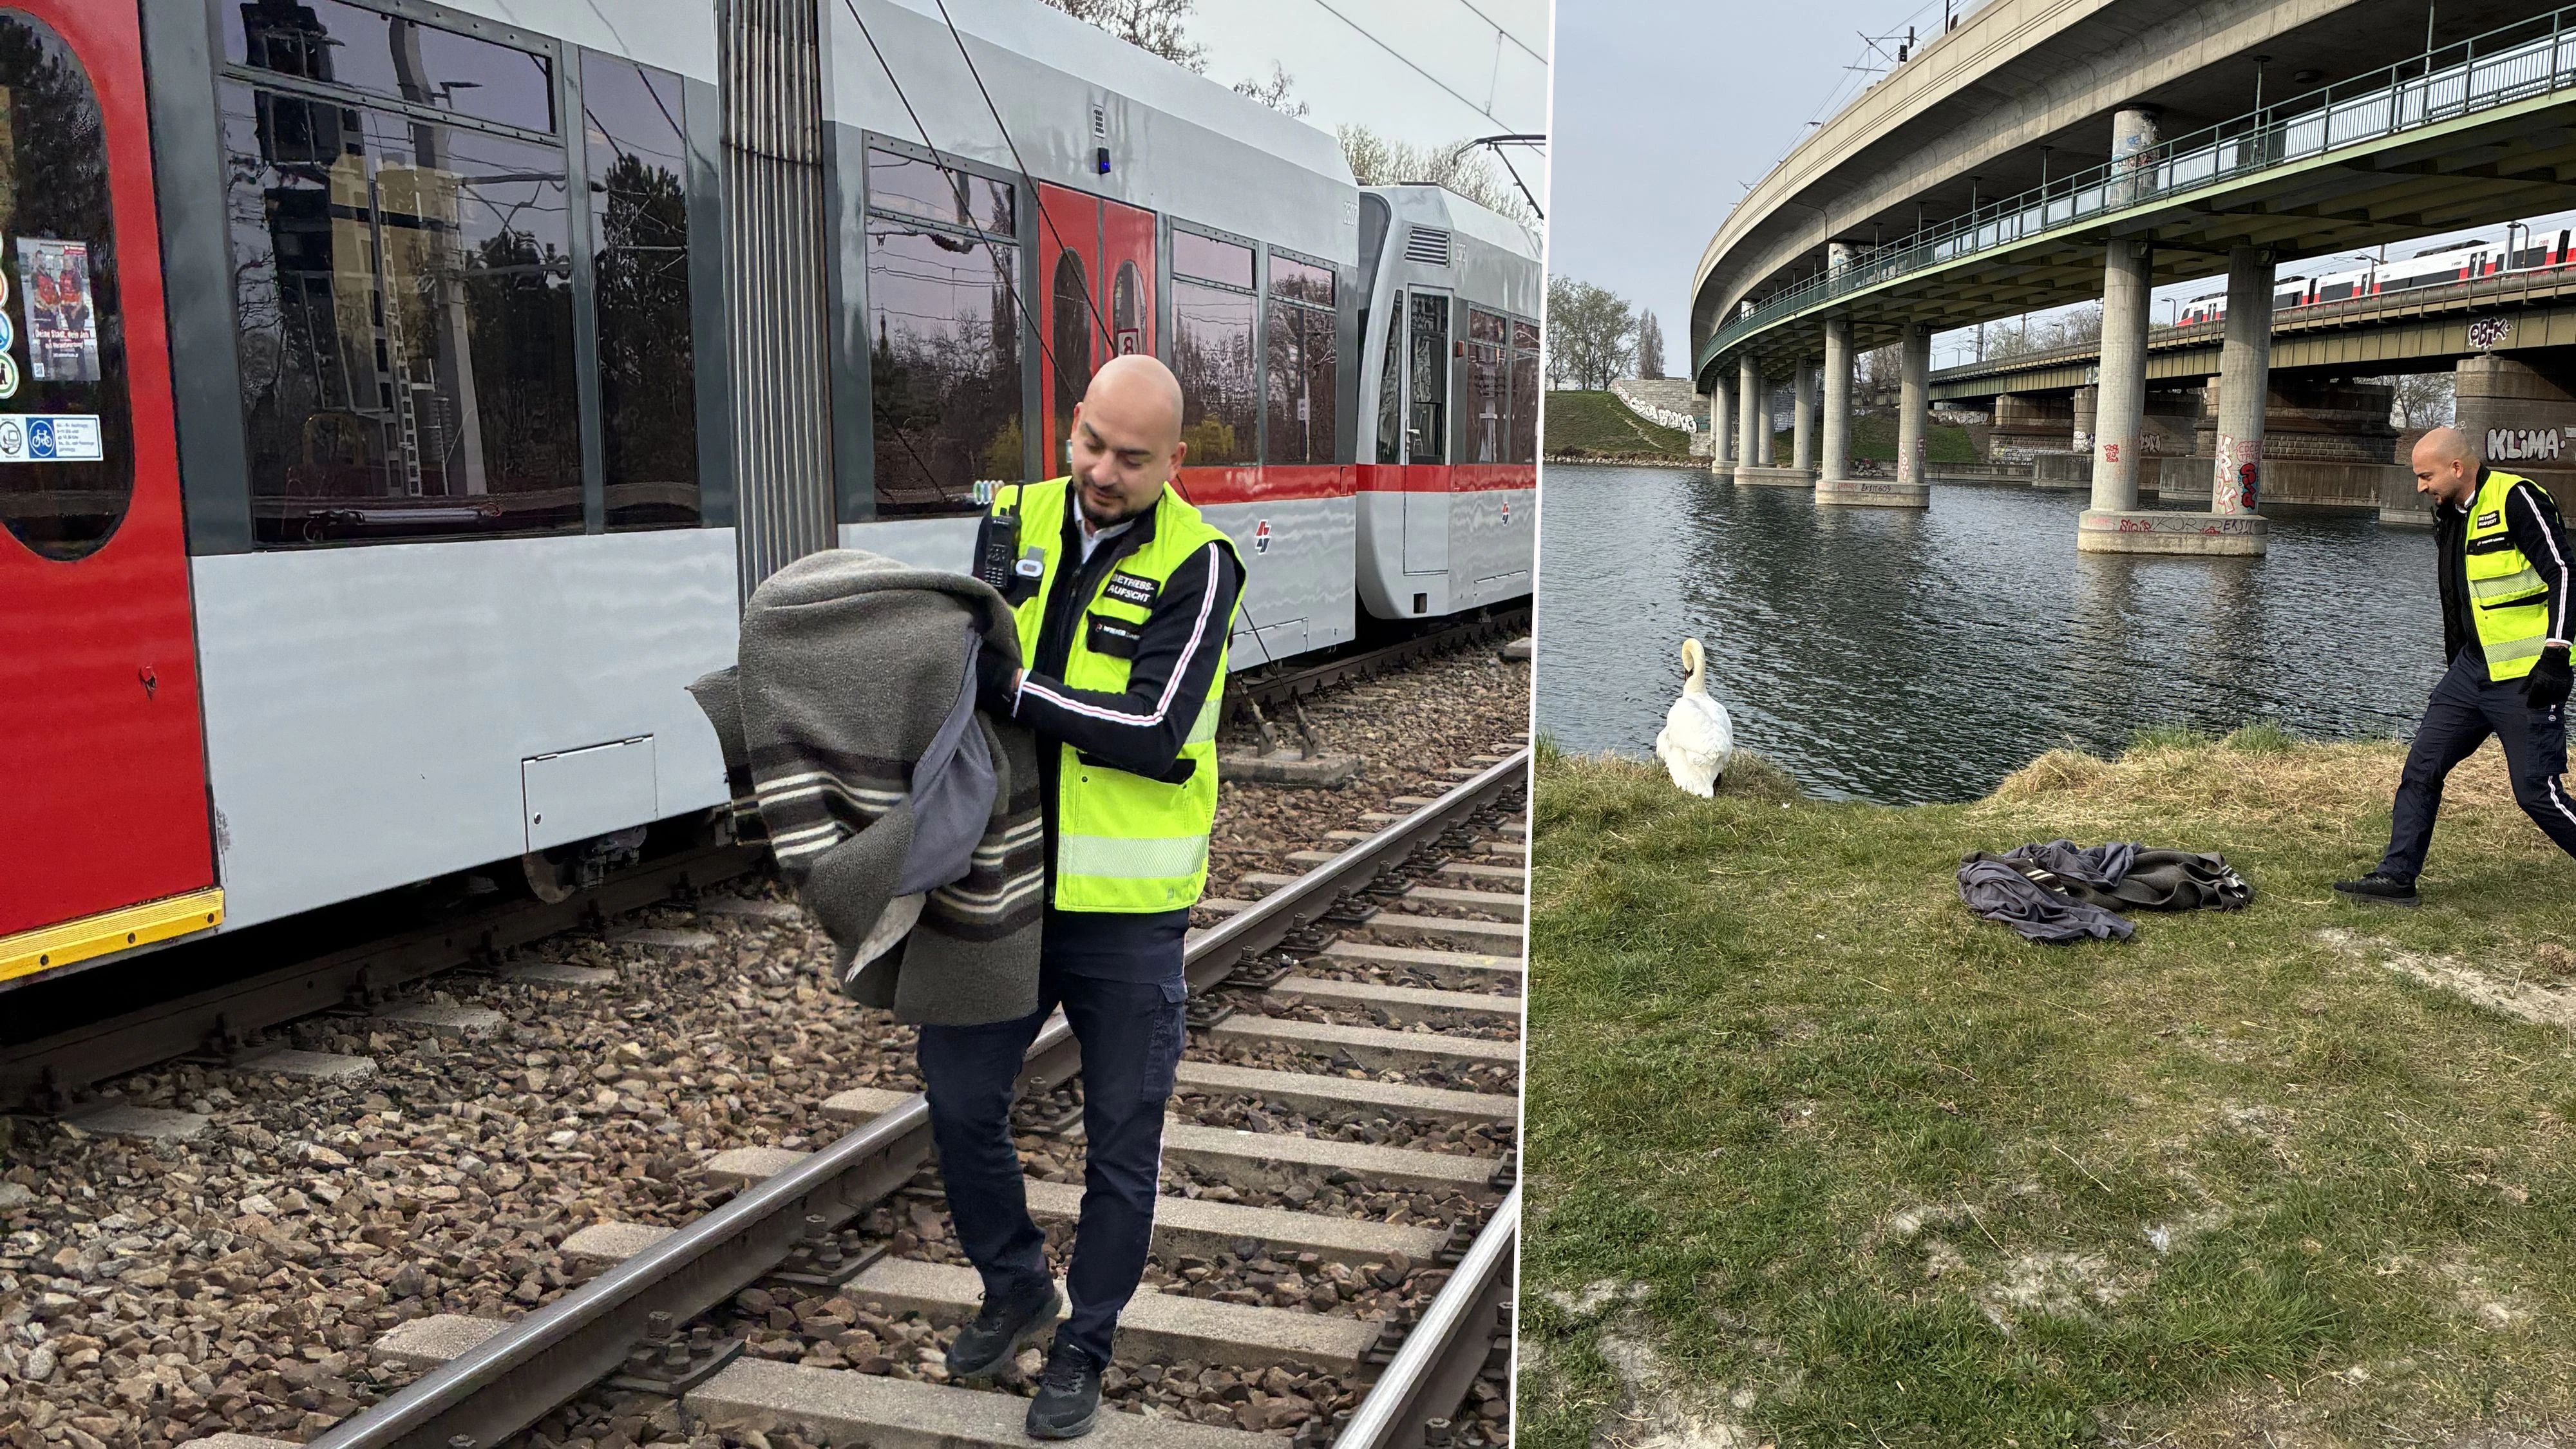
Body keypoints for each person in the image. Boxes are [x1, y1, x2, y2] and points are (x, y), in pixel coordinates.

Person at [920, 353, 1244, 1438]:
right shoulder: (1009, 520)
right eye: (1091, 444)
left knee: (1121, 1145)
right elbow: (955, 669)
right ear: (1072, 428)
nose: (1103, 471)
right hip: (1002, 882)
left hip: (1126, 916)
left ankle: (1084, 1345)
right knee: (960, 1100)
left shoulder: (1204, 565)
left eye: (1132, 458)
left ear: (1175, 463)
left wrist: (1015, 691)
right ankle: (1014, 1283)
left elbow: (1156, 735)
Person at [2336, 424, 2576, 905]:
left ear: (2457, 467)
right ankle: (2397, 877)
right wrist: (2456, 665)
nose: (2421, 486)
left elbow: (2565, 573)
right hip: (2470, 673)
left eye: (2426, 476)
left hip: (2527, 676)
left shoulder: (2517, 498)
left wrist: (2557, 653)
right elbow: (2459, 597)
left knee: (2535, 792)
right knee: (2421, 768)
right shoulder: (2451, 512)